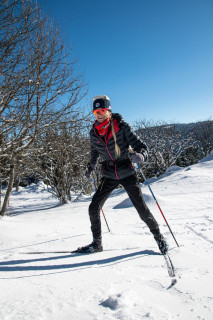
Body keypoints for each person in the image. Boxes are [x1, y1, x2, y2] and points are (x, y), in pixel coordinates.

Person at [77, 95, 168, 254]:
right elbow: (94, 152)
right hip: (109, 174)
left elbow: (142, 147)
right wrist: (90, 166)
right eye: (96, 111)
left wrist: (141, 156)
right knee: (93, 207)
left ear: (109, 111)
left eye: (103, 110)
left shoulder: (122, 126)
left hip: (127, 171)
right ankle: (97, 244)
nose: (99, 113)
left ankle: (159, 237)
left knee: (141, 209)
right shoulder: (93, 133)